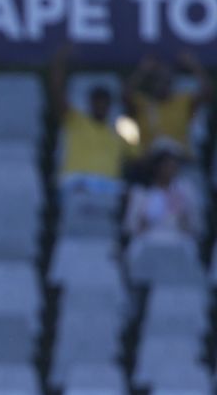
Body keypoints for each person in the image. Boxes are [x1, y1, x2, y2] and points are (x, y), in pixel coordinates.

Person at [50, 48, 130, 196]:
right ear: (90, 103)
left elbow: (138, 156)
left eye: (104, 103)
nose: (101, 106)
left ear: (110, 105)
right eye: (97, 102)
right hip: (77, 182)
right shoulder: (75, 119)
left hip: (108, 186)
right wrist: (59, 62)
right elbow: (57, 94)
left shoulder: (122, 127)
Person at [125, 144, 202, 264]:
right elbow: (130, 226)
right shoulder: (141, 192)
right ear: (156, 167)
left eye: (173, 165)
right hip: (148, 238)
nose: (170, 169)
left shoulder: (186, 190)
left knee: (189, 250)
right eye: (166, 165)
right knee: (136, 249)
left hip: (178, 238)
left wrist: (186, 222)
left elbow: (195, 225)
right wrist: (142, 224)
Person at [124, 54, 211, 161]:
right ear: (152, 83)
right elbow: (125, 95)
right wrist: (143, 70)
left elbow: (208, 93)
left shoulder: (182, 101)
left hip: (179, 161)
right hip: (150, 164)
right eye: (158, 80)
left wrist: (194, 65)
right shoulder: (143, 103)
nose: (162, 85)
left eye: (166, 81)